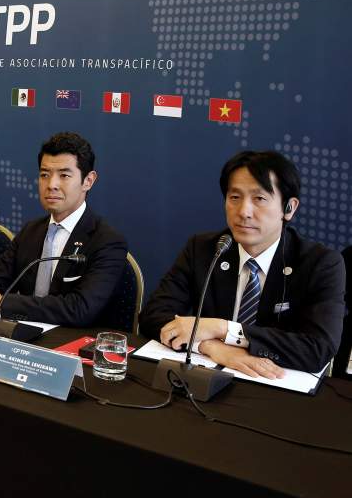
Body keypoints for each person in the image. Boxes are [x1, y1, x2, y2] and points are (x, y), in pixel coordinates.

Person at [140, 151, 346, 377]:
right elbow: (152, 316)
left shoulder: (320, 263)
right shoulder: (204, 249)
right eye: (234, 197)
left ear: (289, 208)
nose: (244, 212)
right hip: (207, 378)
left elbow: (317, 349)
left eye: (259, 199)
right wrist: (209, 346)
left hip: (279, 389)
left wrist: (223, 330)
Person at [0, 132, 127, 326]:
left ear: (88, 181)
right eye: (45, 175)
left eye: (64, 175)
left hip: (71, 345)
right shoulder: (31, 230)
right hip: (22, 339)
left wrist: (2, 302)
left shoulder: (107, 241)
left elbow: (80, 309)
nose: (51, 185)